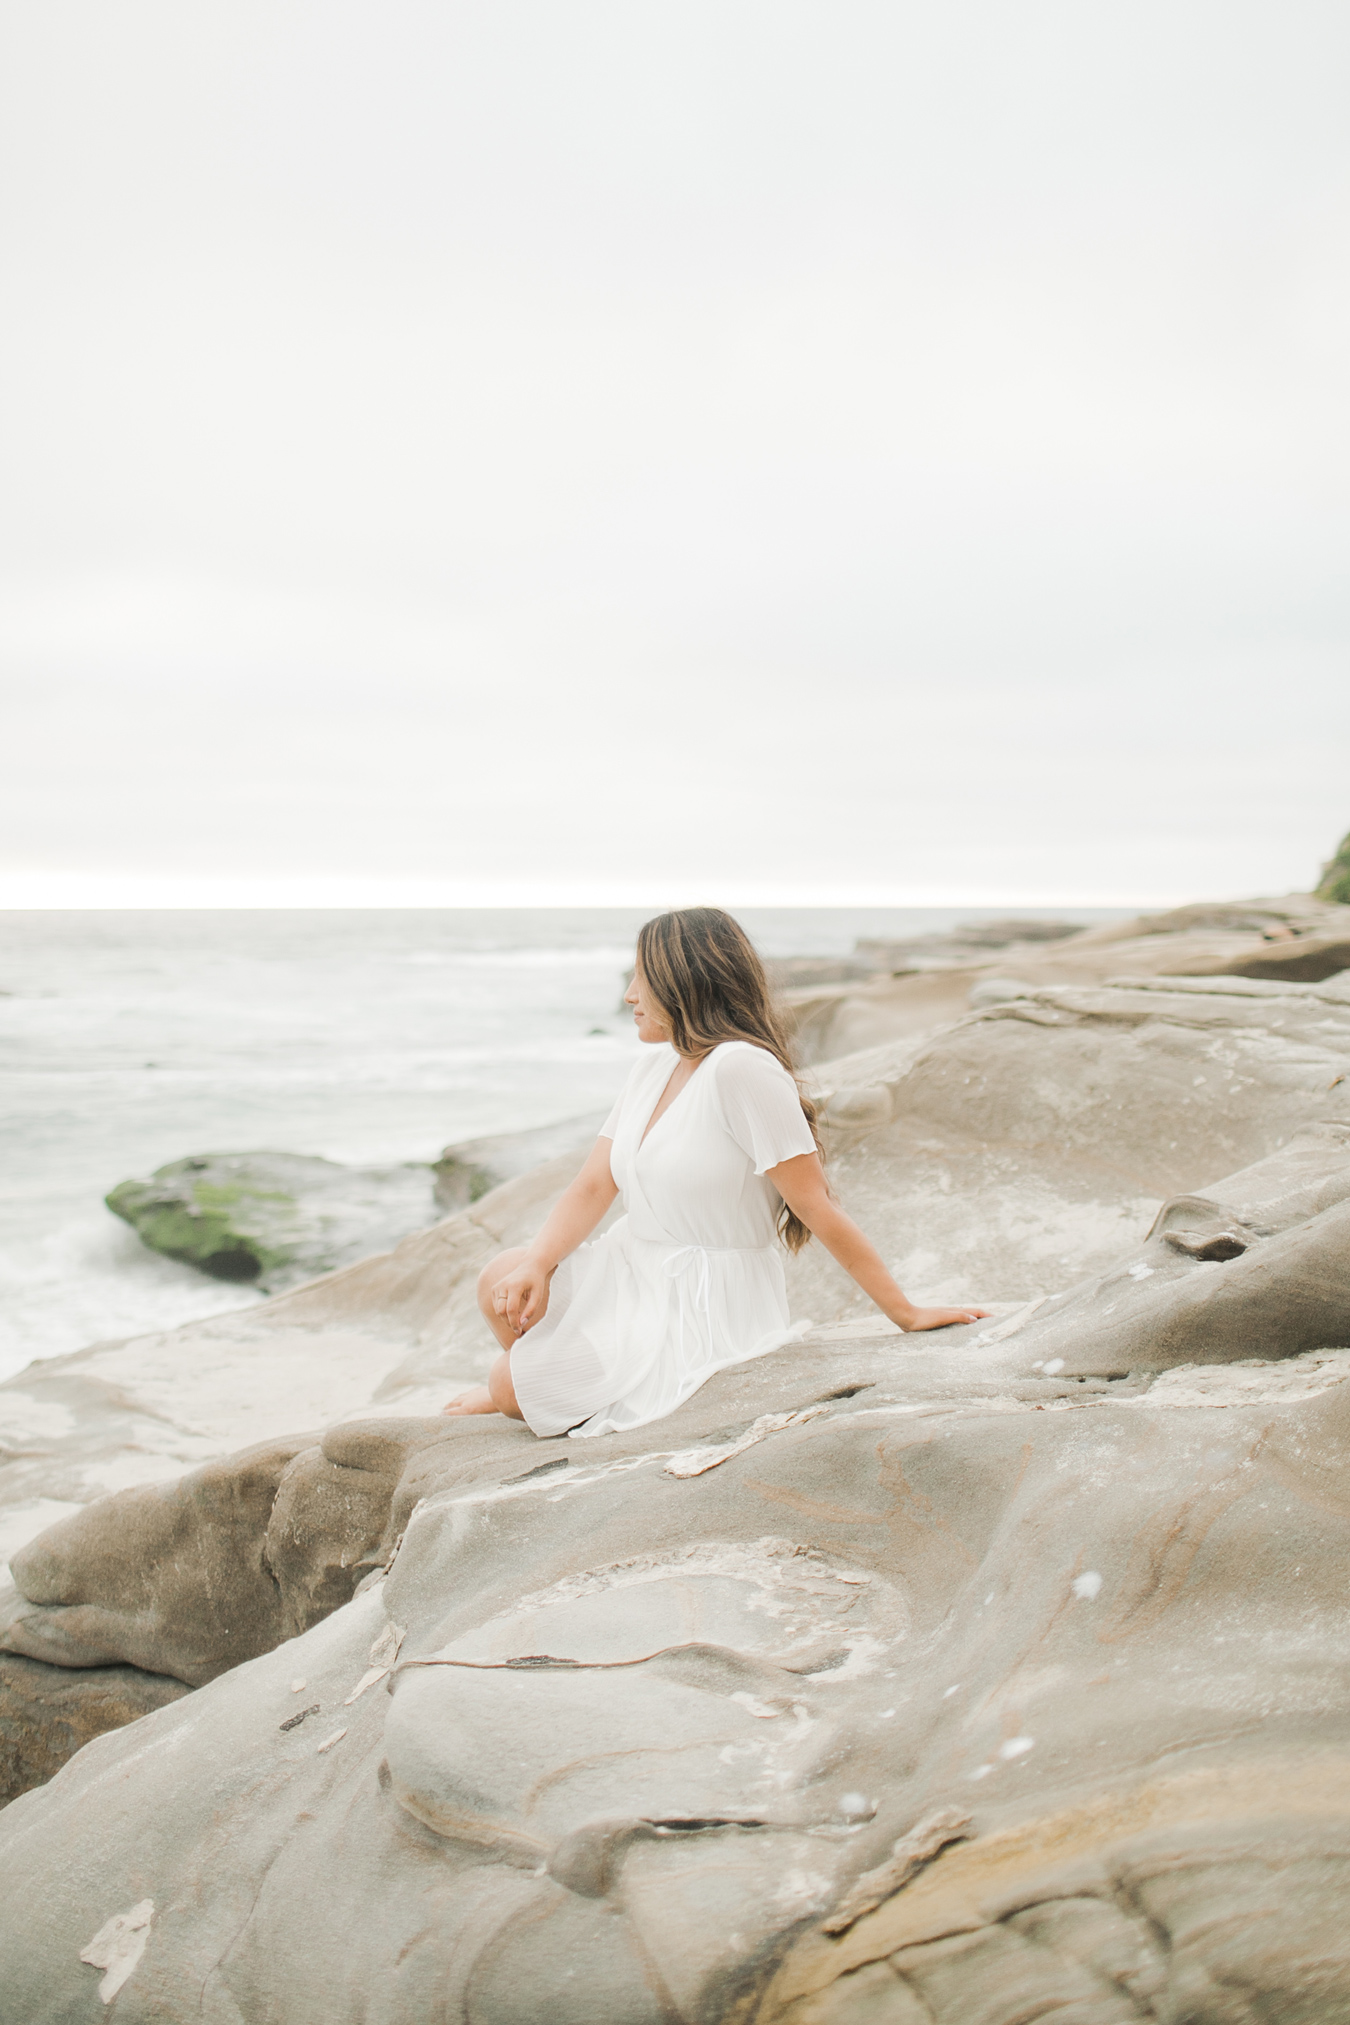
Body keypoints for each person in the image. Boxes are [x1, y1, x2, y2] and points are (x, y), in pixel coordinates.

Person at [444, 906, 987, 1436]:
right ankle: (557, 1379)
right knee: (503, 1276)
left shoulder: (741, 1069)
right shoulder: (654, 1066)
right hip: (633, 1269)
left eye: (642, 978)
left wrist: (905, 1312)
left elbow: (816, 1205)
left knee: (508, 1387)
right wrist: (539, 1264)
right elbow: (593, 1184)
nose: (630, 994)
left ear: (685, 983)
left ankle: (531, 1387)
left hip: (701, 1303)